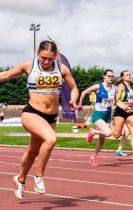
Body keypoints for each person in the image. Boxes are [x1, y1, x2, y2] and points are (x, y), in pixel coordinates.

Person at [0, 40, 79, 199]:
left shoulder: (61, 69)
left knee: (32, 151)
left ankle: (20, 180)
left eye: (50, 59)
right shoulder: (29, 66)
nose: (46, 61)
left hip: (51, 117)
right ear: (38, 53)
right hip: (32, 113)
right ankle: (39, 176)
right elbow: (5, 75)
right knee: (51, 139)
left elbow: (74, 88)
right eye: (43, 57)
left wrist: (73, 99)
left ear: (55, 57)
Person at [78, 69, 116, 166]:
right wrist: (80, 105)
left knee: (101, 140)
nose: (111, 78)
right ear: (104, 76)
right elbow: (83, 93)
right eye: (109, 76)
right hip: (98, 115)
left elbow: (116, 101)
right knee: (108, 133)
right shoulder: (98, 86)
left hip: (107, 115)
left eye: (112, 76)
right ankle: (93, 131)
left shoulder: (114, 88)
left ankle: (93, 158)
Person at [112, 70, 133, 161]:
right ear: (123, 77)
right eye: (127, 75)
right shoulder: (121, 86)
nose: (130, 76)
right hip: (120, 112)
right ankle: (100, 130)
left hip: (129, 112)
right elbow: (116, 100)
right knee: (116, 135)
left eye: (130, 74)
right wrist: (125, 105)